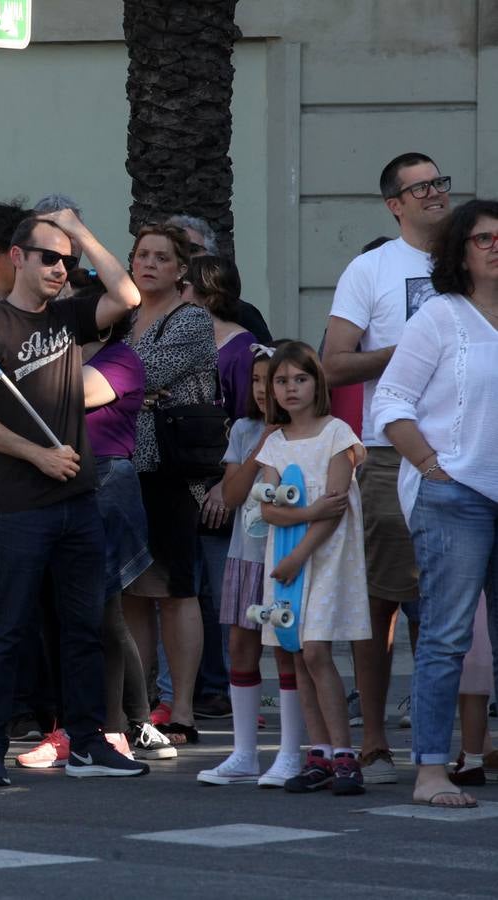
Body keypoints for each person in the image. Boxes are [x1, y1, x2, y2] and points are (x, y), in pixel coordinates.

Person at [0, 209, 148, 786]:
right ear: (17, 257)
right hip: (18, 507)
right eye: (49, 257)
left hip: (80, 500)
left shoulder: (68, 318)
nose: (61, 268)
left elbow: (128, 294)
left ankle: (87, 741)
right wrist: (36, 454)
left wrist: (82, 230)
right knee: (7, 628)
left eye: (68, 261)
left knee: (83, 628)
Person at [321, 152, 452, 785]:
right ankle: (374, 740)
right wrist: (410, 352)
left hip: (473, 453)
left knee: (464, 606)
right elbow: (333, 364)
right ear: (393, 205)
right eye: (419, 187)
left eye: (439, 182)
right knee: (383, 603)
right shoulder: (370, 269)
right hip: (387, 453)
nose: (434, 193)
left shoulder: (477, 256)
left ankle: (466, 744)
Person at [15, 284, 177, 767]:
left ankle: (104, 730)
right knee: (85, 613)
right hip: (65, 483)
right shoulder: (71, 358)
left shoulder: (121, 359)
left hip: (105, 485)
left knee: (99, 613)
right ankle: (127, 722)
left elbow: (67, 394)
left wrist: (16, 366)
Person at [376, 198, 498, 808]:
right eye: (483, 239)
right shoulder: (439, 316)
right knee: (446, 638)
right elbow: (389, 403)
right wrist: (431, 467)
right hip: (455, 497)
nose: (496, 246)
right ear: (460, 252)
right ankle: (430, 770)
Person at [254, 342, 369, 795]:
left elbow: (337, 508)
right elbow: (269, 511)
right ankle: (318, 753)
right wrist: (308, 513)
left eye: (299, 379)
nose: (290, 388)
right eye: (281, 381)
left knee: (317, 649)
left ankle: (345, 755)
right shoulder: (275, 445)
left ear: (316, 383)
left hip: (323, 556)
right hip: (287, 557)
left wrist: (303, 546)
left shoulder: (337, 434)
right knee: (295, 651)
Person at [195, 342, 308, 787]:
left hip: (284, 558)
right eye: (258, 381)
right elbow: (234, 493)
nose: (264, 390)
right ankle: (243, 754)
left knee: (286, 650)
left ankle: (290, 753)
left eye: (275, 380)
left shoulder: (307, 432)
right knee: (241, 648)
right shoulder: (244, 429)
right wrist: (262, 444)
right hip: (245, 556)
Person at [121, 223, 214, 747]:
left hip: (172, 472)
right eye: (141, 255)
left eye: (161, 256)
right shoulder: (125, 318)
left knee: (176, 591)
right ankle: (141, 706)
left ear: (181, 270)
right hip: (124, 467)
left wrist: (108, 374)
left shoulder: (192, 318)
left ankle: (182, 709)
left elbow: (140, 373)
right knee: (132, 592)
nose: (149, 263)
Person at [188, 255, 254, 718]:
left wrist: (226, 489)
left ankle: (226, 685)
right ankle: (193, 686)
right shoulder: (184, 344)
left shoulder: (241, 349)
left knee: (220, 592)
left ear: (208, 294)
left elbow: (254, 427)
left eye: (185, 286)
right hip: (182, 486)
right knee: (187, 591)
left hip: (221, 486)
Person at [167, 214, 273, 344]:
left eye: (192, 249)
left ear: (209, 255)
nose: (183, 256)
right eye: (174, 251)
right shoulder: (149, 311)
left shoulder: (242, 313)